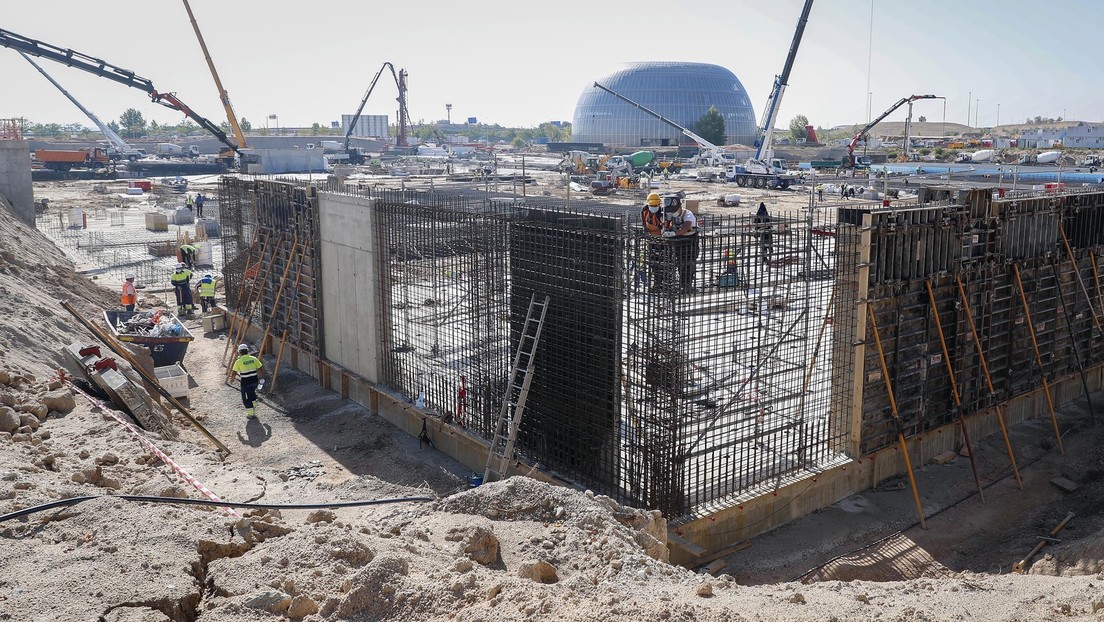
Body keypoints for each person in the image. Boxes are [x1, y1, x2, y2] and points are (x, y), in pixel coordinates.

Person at [661, 195, 700, 294]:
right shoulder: (671, 214)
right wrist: (665, 226)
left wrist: (673, 233)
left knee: (688, 264)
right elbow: (668, 223)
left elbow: (685, 228)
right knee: (680, 264)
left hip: (690, 242)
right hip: (679, 242)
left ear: (679, 207)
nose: (671, 213)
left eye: (673, 211)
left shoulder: (688, 215)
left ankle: (687, 286)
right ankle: (682, 285)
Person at [641, 192, 672, 291]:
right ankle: (657, 283)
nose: (654, 207)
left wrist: (664, 225)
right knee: (653, 262)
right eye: (652, 206)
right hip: (652, 239)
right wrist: (647, 233)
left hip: (662, 241)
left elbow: (667, 226)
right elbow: (644, 224)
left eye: (655, 206)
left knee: (664, 262)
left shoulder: (662, 213)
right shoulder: (644, 210)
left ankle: (667, 284)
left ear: (659, 204)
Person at [230, 343, 264, 419]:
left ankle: (251, 414)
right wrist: (261, 377)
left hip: (245, 382)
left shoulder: (238, 361)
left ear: (239, 352)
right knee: (252, 392)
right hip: (254, 381)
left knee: (246, 398)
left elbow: (234, 372)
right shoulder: (254, 359)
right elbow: (260, 367)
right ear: (247, 351)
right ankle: (254, 404)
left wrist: (232, 379)